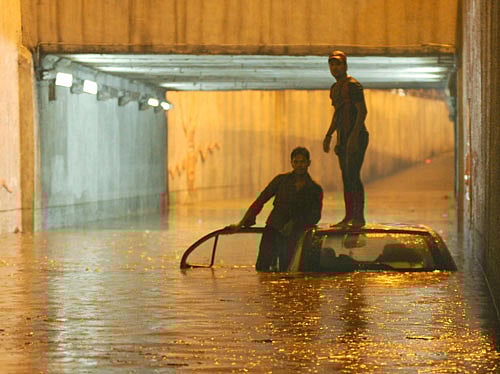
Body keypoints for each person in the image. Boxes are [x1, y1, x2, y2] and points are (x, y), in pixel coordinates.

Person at [231, 147, 323, 271]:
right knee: (262, 268)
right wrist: (241, 223)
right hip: (272, 230)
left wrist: (295, 223)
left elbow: (315, 216)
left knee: (287, 270)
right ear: (291, 163)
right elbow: (260, 200)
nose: (299, 165)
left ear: (308, 163)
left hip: (294, 235)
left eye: (302, 162)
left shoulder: (314, 189)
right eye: (296, 162)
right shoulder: (281, 181)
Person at [323, 50, 369, 227]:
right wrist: (329, 135)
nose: (335, 68)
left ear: (345, 65)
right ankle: (349, 216)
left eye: (338, 64)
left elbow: (362, 111)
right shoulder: (335, 89)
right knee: (346, 177)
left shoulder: (353, 86)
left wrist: (353, 138)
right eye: (332, 64)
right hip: (343, 137)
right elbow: (338, 113)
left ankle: (359, 217)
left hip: (357, 135)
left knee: (353, 175)